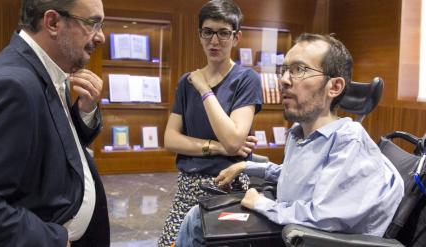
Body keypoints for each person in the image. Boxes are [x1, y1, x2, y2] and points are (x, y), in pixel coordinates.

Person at [175, 33, 405, 246]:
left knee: (198, 222)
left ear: (334, 86)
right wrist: (247, 166)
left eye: (299, 70)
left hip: (314, 240)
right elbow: (296, 176)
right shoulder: (300, 133)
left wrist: (262, 204)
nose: (283, 80)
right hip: (291, 229)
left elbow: (324, 218)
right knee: (200, 216)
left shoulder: (349, 142)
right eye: (284, 70)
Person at [0, 0, 110, 246]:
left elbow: (56, 143)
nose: (102, 37)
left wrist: (85, 110)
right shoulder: (12, 86)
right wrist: (51, 239)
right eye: (92, 23)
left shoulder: (46, 68)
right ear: (53, 22)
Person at [157, 0, 263, 246]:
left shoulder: (246, 79)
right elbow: (170, 139)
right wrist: (217, 147)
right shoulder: (186, 82)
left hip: (228, 185)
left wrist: (205, 89)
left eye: (224, 33)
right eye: (208, 32)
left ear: (236, 37)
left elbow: (234, 140)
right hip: (188, 185)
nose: (215, 41)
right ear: (200, 34)